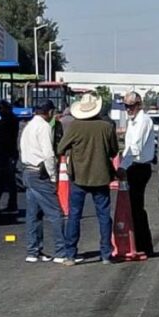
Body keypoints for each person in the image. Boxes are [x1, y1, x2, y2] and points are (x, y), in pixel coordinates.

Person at [57, 92, 119, 264]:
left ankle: (70, 254)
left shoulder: (75, 126)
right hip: (101, 176)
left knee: (74, 216)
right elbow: (114, 151)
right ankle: (106, 253)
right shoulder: (106, 127)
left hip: (79, 177)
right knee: (104, 216)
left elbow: (61, 148)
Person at [19, 100, 68, 264]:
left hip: (28, 170)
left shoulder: (28, 126)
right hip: (40, 173)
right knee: (56, 213)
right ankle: (61, 252)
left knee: (34, 214)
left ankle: (33, 251)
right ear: (50, 112)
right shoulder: (44, 127)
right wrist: (53, 176)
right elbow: (48, 154)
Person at [117, 91, 155, 256]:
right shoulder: (133, 122)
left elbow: (135, 147)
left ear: (139, 105)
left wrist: (123, 166)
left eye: (131, 106)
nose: (128, 109)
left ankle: (144, 246)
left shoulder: (143, 121)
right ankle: (138, 244)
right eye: (126, 106)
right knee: (133, 207)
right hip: (133, 165)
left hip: (138, 166)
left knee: (136, 208)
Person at [0, 100, 20, 213]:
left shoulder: (9, 120)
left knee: (8, 180)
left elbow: (7, 138)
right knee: (4, 180)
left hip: (8, 153)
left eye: (0, 109)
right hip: (7, 152)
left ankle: (11, 203)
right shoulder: (9, 119)